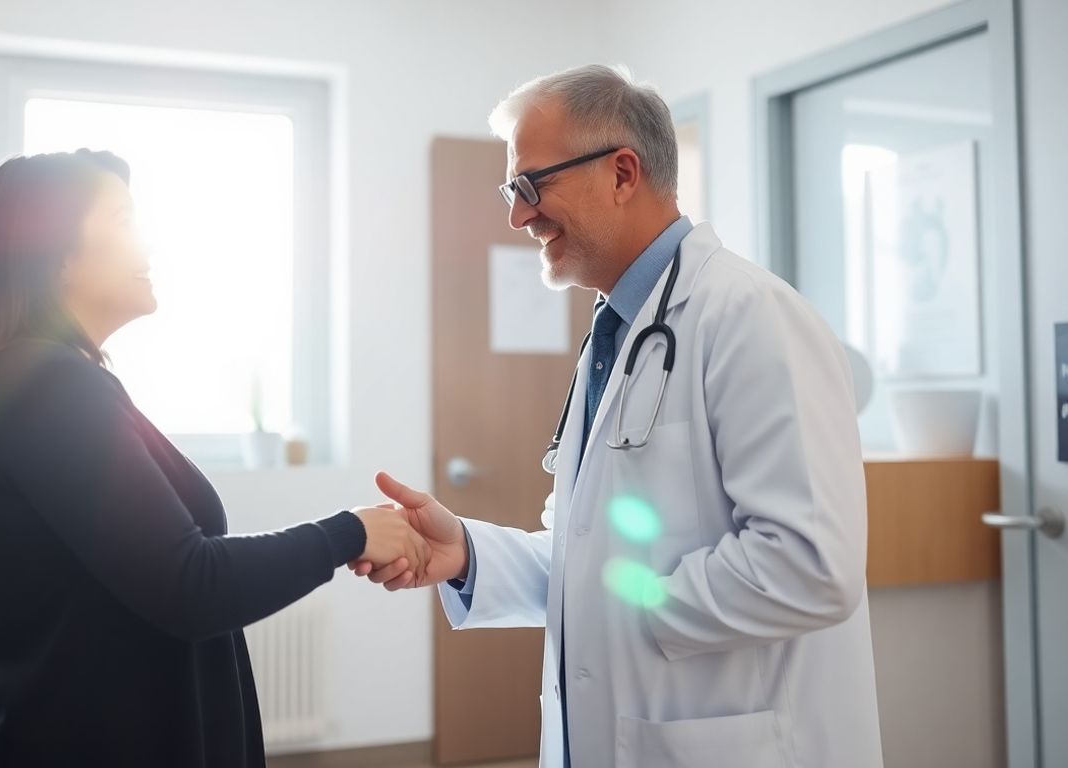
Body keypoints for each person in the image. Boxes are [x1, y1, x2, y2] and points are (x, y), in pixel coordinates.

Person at [353, 65, 883, 767]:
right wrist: (470, 553)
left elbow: (810, 564)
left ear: (622, 173)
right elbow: (593, 555)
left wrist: (633, 607)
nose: (518, 215)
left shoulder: (750, 317)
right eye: (512, 191)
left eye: (530, 185)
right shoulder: (622, 332)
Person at [0, 149, 428, 768]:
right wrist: (349, 532)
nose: (148, 248)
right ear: (53, 255)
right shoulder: (49, 388)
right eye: (125, 222)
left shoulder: (37, 381)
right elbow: (192, 584)